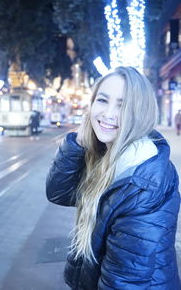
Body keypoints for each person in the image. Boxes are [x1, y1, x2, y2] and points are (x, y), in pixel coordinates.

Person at [46, 67, 181, 289]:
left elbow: (124, 281)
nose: (108, 114)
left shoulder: (142, 182)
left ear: (141, 112)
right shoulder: (104, 154)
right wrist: (78, 144)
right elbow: (58, 193)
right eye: (102, 100)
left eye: (122, 105)